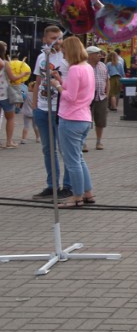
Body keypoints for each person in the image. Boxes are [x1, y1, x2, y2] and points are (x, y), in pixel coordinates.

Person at [53, 37, 97, 209]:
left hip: (70, 118)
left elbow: (70, 97)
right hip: (84, 117)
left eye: (64, 50)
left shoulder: (74, 69)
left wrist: (57, 85)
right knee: (79, 158)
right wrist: (61, 81)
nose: (63, 54)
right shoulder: (87, 68)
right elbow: (78, 91)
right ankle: (88, 192)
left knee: (72, 161)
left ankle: (77, 196)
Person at [30, 26, 71, 201]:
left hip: (60, 109)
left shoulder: (67, 58)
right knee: (48, 149)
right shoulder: (41, 56)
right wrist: (34, 106)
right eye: (53, 38)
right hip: (42, 108)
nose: (57, 41)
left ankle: (68, 186)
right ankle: (51, 184)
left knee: (65, 149)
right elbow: (38, 82)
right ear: (45, 40)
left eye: (60, 38)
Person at [1, 41, 29, 148]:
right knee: (10, 118)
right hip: (5, 94)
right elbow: (13, 78)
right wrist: (23, 74)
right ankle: (9, 142)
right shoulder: (5, 63)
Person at [86, 46, 110, 149]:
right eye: (97, 53)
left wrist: (107, 94)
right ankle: (83, 142)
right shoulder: (84, 66)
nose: (100, 55)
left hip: (101, 97)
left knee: (100, 121)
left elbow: (107, 80)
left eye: (100, 53)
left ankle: (99, 142)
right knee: (85, 121)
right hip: (87, 98)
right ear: (90, 55)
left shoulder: (103, 66)